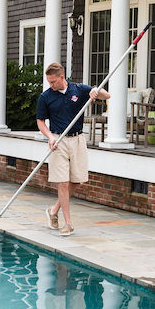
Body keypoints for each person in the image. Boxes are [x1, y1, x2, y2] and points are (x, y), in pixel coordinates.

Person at [36, 62, 109, 236]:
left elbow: (108, 95)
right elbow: (40, 121)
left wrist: (95, 91)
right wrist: (50, 137)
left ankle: (53, 210)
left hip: (78, 139)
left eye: (53, 82)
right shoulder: (46, 97)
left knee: (77, 180)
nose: (51, 85)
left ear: (62, 77)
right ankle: (68, 223)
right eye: (49, 82)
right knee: (63, 182)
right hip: (58, 141)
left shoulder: (78, 89)